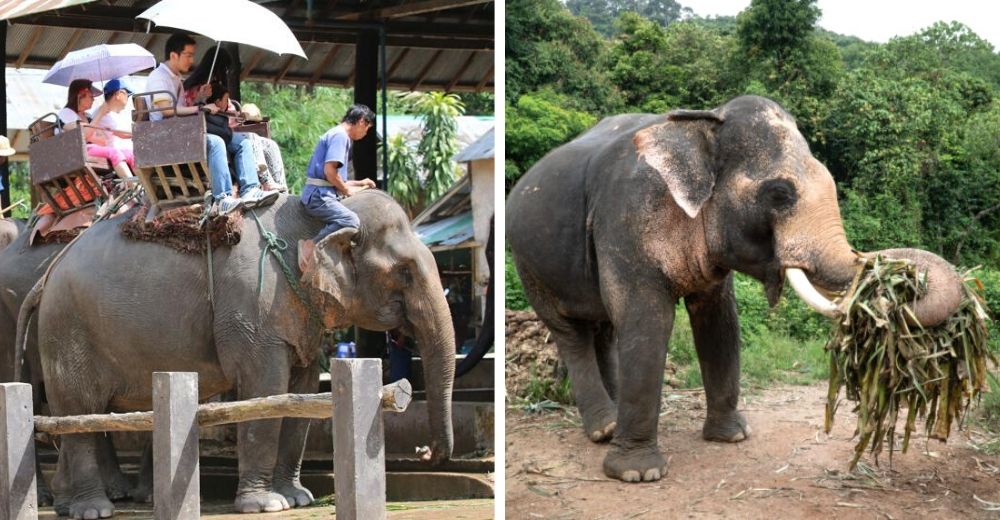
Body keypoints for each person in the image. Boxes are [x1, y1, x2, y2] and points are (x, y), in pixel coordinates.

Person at [144, 34, 277, 215]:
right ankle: (222, 198)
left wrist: (200, 98)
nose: (192, 60)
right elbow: (167, 111)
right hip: (168, 137)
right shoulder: (158, 78)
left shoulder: (176, 79)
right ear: (174, 55)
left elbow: (181, 108)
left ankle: (250, 189)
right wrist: (201, 108)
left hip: (183, 131)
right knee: (216, 142)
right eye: (188, 55)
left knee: (242, 141)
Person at [298, 104, 377, 272]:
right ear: (362, 121)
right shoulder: (341, 136)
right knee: (351, 220)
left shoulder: (337, 134)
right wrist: (348, 190)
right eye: (367, 129)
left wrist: (361, 183)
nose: (365, 134)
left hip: (323, 191)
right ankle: (311, 245)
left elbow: (336, 179)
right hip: (319, 196)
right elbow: (329, 172)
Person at [57, 79, 133, 180]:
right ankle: (133, 185)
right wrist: (100, 113)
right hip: (75, 153)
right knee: (114, 152)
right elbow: (84, 135)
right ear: (80, 96)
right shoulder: (66, 113)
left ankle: (144, 187)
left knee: (130, 154)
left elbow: (102, 141)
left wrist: (89, 134)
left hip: (89, 149)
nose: (93, 100)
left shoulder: (87, 116)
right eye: (91, 96)